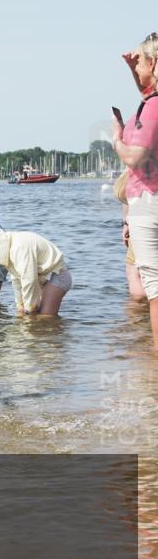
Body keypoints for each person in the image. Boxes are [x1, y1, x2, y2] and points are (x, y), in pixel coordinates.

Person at [112, 32, 158, 347]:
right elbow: (148, 92)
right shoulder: (152, 101)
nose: (135, 64)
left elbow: (135, 157)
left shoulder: (154, 106)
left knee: (154, 290)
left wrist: (116, 137)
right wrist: (134, 69)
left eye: (140, 60)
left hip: (149, 198)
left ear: (153, 63)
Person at [0, 226, 72, 316]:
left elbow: (29, 280)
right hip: (42, 278)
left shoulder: (19, 247)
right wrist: (20, 304)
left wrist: (29, 309)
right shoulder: (9, 250)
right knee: (32, 316)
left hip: (57, 275)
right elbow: (16, 280)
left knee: (45, 318)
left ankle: (56, 334)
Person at [113, 171, 147, 303]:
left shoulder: (137, 158)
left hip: (142, 222)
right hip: (140, 221)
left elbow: (126, 191)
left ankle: (138, 318)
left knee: (134, 273)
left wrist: (126, 222)